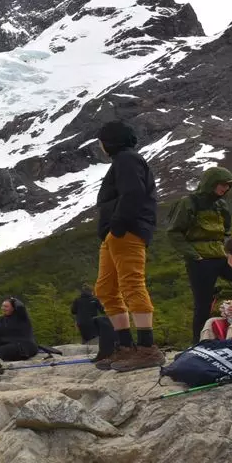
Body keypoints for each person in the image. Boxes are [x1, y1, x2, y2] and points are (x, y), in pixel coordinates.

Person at [91, 121, 163, 373]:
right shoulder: (124, 160)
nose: (100, 145)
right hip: (115, 234)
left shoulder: (127, 159)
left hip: (127, 231)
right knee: (105, 289)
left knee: (131, 283)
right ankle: (125, 346)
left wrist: (118, 225)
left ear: (110, 141)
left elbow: (133, 193)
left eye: (101, 140)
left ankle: (147, 348)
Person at [167, 167, 232, 345]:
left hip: (221, 255)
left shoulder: (221, 204)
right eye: (223, 184)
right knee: (203, 304)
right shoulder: (188, 203)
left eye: (228, 185)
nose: (226, 188)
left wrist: (228, 248)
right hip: (200, 260)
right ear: (211, 183)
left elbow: (226, 230)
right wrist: (194, 255)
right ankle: (199, 343)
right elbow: (174, 232)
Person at [0, 297, 39, 361]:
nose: (3, 308)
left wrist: (13, 299)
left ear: (13, 308)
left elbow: (21, 307)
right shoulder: (1, 319)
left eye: (6, 306)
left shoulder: (21, 317)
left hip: (22, 345)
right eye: (2, 306)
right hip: (5, 343)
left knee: (1, 350)